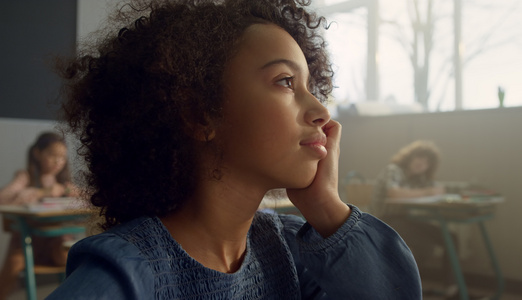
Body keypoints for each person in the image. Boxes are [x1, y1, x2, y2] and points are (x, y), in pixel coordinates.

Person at [47, 0, 422, 299]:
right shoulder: (130, 269)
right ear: (200, 114)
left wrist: (325, 205)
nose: (322, 111)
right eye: (286, 81)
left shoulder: (290, 250)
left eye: (313, 88)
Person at [368, 140, 457, 296]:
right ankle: (407, 287)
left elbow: (437, 189)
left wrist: (433, 190)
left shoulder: (418, 178)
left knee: (450, 237)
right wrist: (428, 192)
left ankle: (451, 288)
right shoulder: (393, 170)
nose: (421, 163)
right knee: (424, 244)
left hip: (405, 219)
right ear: (409, 157)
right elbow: (394, 193)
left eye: (427, 162)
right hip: (384, 220)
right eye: (419, 158)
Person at [0, 131, 79, 300]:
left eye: (62, 157)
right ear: (37, 153)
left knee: (73, 259)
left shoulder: (63, 182)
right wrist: (43, 192)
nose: (58, 161)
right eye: (52, 155)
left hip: (56, 241)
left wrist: (75, 193)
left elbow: (87, 198)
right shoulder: (26, 176)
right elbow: (2, 198)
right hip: (26, 240)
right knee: (13, 266)